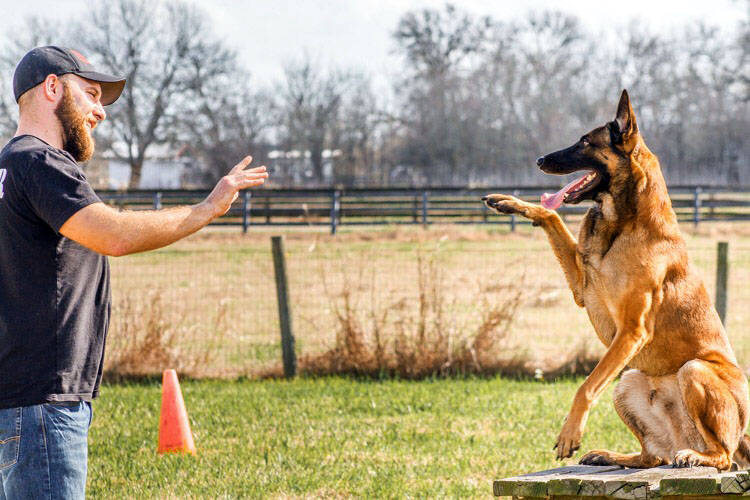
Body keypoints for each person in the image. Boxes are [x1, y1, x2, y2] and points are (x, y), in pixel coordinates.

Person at [0, 46, 268, 499]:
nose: (99, 112)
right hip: (43, 404)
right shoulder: (40, 162)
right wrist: (207, 209)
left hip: (16, 399)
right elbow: (114, 235)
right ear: (51, 87)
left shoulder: (8, 166)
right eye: (90, 94)